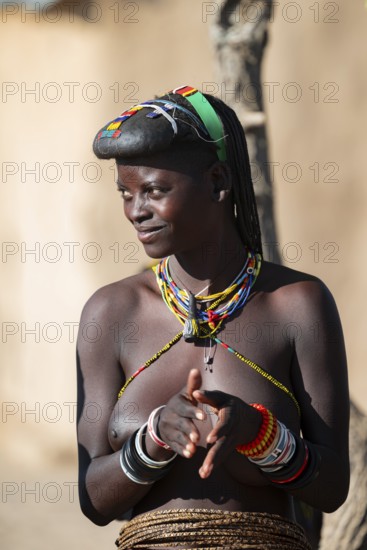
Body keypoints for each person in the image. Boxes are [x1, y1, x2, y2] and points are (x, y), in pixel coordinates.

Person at [77, 85, 349, 549]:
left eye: (155, 191)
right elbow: (93, 501)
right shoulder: (112, 312)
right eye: (126, 193)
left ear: (219, 182)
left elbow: (330, 489)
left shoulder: (297, 304)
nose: (136, 212)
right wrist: (155, 438)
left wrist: (260, 434)